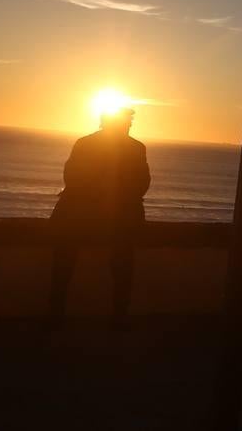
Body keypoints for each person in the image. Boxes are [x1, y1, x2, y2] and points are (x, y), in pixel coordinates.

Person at [48, 105, 151, 323]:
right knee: (122, 265)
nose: (130, 125)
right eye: (128, 122)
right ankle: (119, 317)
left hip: (80, 215)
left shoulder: (85, 143)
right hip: (115, 218)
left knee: (63, 265)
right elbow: (142, 184)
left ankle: (55, 316)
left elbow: (71, 177)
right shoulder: (136, 148)